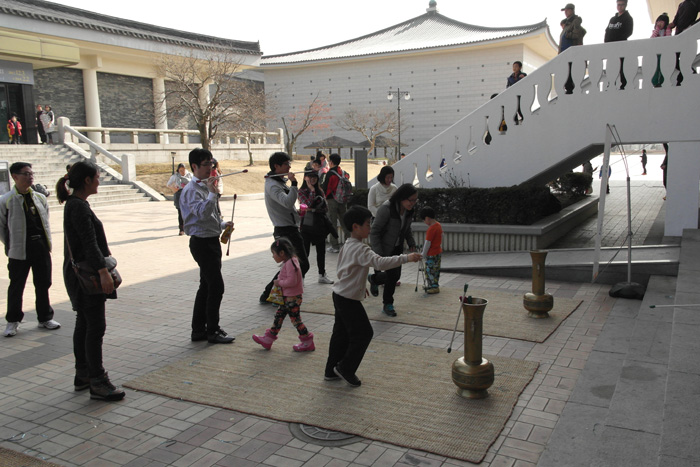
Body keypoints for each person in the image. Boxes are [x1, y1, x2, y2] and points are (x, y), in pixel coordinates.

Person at [325, 206, 421, 387]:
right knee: (364, 333)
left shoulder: (348, 244)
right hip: (347, 298)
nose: (371, 228)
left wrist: (359, 287)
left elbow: (343, 270)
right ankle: (345, 368)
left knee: (341, 334)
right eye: (368, 224)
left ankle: (331, 370)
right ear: (355, 227)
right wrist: (406, 258)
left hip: (340, 295)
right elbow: (380, 262)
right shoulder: (361, 249)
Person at [56, 161, 124, 401]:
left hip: (78, 274)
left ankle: (83, 374)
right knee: (95, 327)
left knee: (84, 324)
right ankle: (98, 380)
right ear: (86, 180)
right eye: (96, 176)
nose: (99, 180)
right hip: (87, 276)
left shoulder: (75, 204)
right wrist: (103, 272)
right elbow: (89, 243)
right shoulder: (79, 207)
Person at [179, 148, 235, 344]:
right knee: (215, 286)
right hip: (202, 243)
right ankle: (212, 330)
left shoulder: (204, 187)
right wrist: (213, 194)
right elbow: (200, 214)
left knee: (206, 286)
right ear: (194, 167)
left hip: (211, 239)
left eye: (211, 163)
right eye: (206, 164)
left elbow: (208, 217)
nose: (210, 168)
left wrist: (221, 225)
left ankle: (198, 330)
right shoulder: (192, 190)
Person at [0, 162, 60, 337]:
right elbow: (2, 227)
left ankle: (45, 317)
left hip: (40, 247)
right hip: (19, 250)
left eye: (31, 173)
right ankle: (13, 321)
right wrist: (11, 245)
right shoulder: (6, 200)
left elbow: (45, 220)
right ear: (15, 177)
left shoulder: (39, 197)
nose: (30, 176)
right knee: (16, 286)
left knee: (43, 283)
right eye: (26, 174)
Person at [260, 152, 310, 303]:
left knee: (294, 265)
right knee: (299, 264)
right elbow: (287, 202)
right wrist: (294, 183)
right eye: (286, 164)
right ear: (276, 166)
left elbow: (288, 205)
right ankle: (273, 293)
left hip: (290, 227)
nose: (289, 166)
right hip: (285, 230)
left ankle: (274, 293)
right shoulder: (272, 185)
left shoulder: (279, 181)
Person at [252, 239, 315, 352]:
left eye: (274, 253)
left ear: (282, 253)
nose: (273, 256)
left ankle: (307, 341)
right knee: (279, 317)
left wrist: (279, 283)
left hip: (292, 298)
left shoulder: (291, 263)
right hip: (288, 297)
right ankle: (268, 339)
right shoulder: (290, 262)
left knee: (296, 320)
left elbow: (292, 281)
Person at [367, 183, 418, 317]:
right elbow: (374, 232)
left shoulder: (408, 210)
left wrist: (411, 241)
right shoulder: (387, 209)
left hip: (397, 247)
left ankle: (374, 279)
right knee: (391, 276)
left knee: (395, 276)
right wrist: (378, 252)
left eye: (415, 200)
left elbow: (406, 228)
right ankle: (388, 304)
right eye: (411, 200)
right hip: (383, 248)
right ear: (402, 198)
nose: (413, 203)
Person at [298, 170, 334, 284]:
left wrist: (312, 209)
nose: (313, 179)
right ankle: (301, 277)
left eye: (315, 177)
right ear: (305, 178)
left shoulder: (320, 190)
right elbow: (306, 204)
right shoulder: (301, 191)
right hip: (306, 225)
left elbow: (325, 208)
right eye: (310, 177)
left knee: (321, 251)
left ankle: (322, 274)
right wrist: (312, 192)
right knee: (305, 252)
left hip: (319, 224)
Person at [322, 153, 350, 253]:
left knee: (332, 223)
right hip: (342, 200)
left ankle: (335, 246)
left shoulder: (330, 173)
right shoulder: (342, 172)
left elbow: (325, 187)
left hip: (332, 200)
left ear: (331, 162)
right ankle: (350, 243)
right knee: (344, 222)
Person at [419, 207, 443, 294]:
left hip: (431, 253)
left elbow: (427, 243)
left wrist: (423, 254)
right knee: (436, 269)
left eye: (424, 220)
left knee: (429, 270)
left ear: (427, 218)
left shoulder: (431, 229)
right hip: (438, 252)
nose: (424, 222)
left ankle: (433, 286)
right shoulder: (438, 225)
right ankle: (434, 285)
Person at [167, 163, 192, 236]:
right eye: (180, 170)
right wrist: (173, 188)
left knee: (189, 211)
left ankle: (189, 227)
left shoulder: (190, 175)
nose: (182, 172)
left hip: (188, 194)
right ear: (178, 170)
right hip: (179, 194)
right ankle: (181, 229)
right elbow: (168, 184)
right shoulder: (175, 176)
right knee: (180, 212)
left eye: (183, 170)